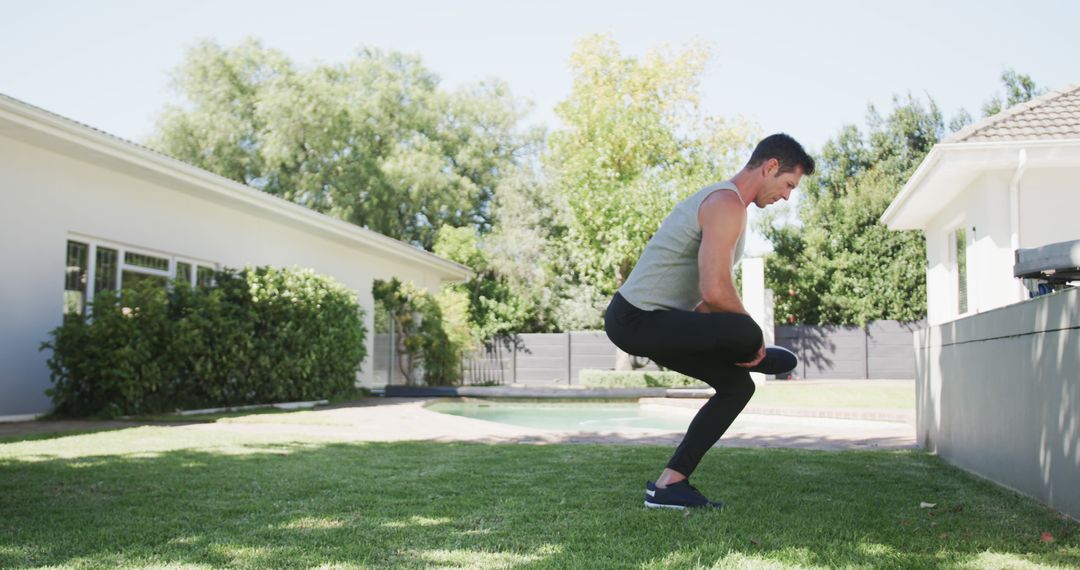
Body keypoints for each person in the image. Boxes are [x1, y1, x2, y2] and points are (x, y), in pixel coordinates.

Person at [603, 133, 815, 510]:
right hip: (634, 318)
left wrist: (737, 346)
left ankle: (670, 485)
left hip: (660, 320)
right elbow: (716, 291)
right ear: (769, 167)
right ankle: (755, 352)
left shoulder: (733, 209)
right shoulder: (725, 203)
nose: (786, 196)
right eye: (787, 185)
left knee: (737, 386)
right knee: (746, 331)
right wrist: (751, 341)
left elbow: (703, 304)